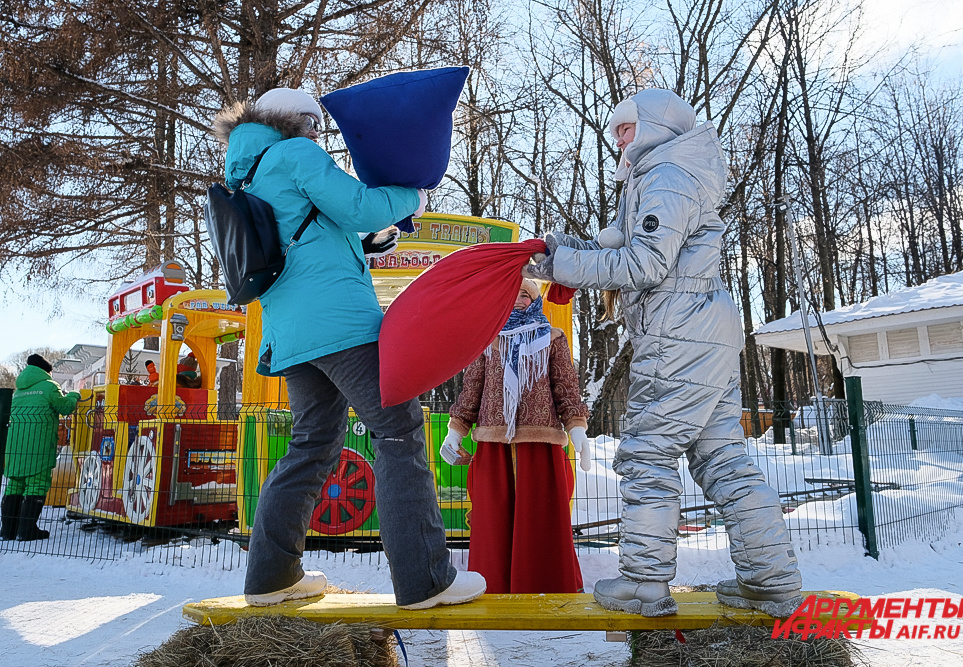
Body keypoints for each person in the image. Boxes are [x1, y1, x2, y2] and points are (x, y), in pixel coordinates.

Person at [523, 88, 804, 618]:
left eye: (625, 127)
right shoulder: (674, 174)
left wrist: (560, 267)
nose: (617, 139)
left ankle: (645, 582)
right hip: (705, 331)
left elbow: (644, 264)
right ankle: (772, 580)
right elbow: (626, 246)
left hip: (679, 334)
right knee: (724, 459)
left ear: (654, 126)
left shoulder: (666, 176)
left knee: (648, 453)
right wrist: (559, 253)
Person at [212, 87, 485, 608]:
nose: (319, 134)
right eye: (313, 124)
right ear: (294, 121)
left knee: (312, 445)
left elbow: (299, 235)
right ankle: (425, 579)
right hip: (340, 326)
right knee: (399, 429)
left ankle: (271, 578)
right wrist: (411, 196)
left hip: (291, 333)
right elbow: (358, 204)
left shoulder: (244, 170)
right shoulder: (294, 153)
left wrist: (363, 244)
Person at [443, 279, 591, 594]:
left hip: (541, 443)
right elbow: (472, 390)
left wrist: (576, 427)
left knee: (541, 514)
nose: (520, 299)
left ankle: (545, 582)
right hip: (493, 444)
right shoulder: (486, 339)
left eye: (526, 294)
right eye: (514, 293)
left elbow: (565, 388)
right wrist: (455, 432)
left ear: (535, 301)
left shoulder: (552, 338)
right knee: (492, 517)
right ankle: (493, 582)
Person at [1, 354, 81, 541]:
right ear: (46, 371)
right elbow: (65, 408)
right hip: (38, 445)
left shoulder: (18, 391)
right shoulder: (49, 387)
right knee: (36, 484)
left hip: (15, 446)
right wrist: (73, 395)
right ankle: (27, 530)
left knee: (15, 485)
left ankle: (7, 531)